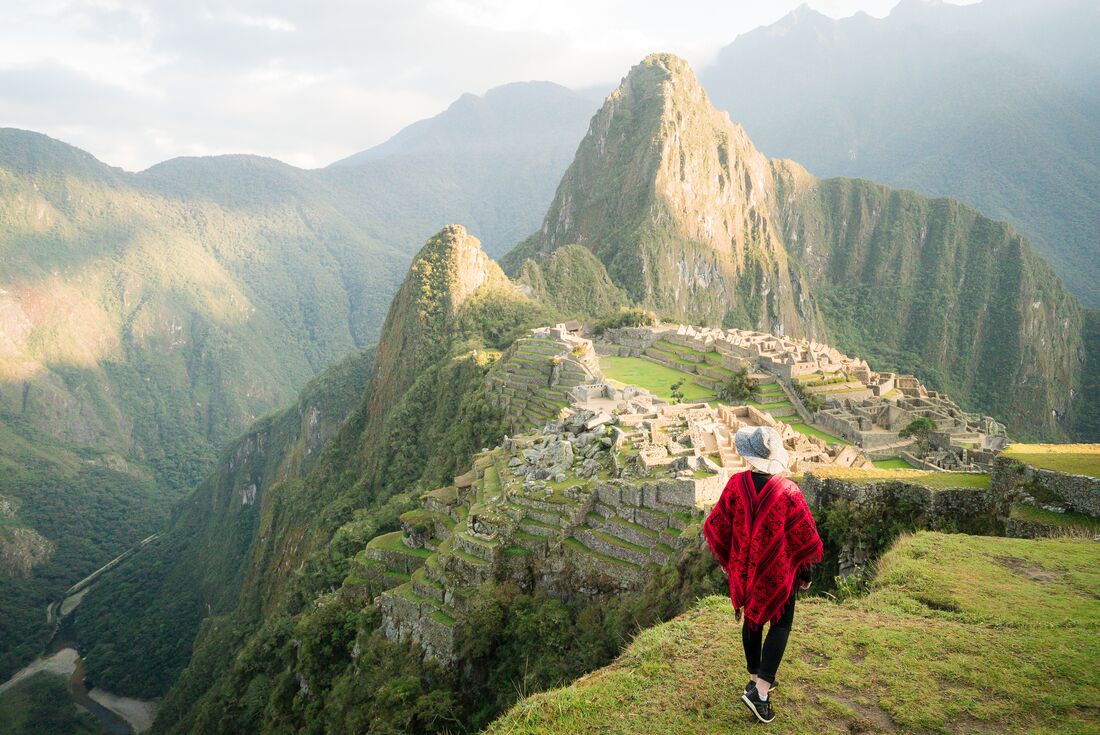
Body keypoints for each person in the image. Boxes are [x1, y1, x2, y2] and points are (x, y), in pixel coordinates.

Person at [702, 425, 823, 725]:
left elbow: (719, 524)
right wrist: (805, 574)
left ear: (749, 456)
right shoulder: (789, 492)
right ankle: (761, 692)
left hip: (744, 567)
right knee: (781, 625)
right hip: (778, 572)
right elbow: (801, 538)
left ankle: (755, 677)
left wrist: (727, 559)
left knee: (753, 618)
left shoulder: (735, 485)